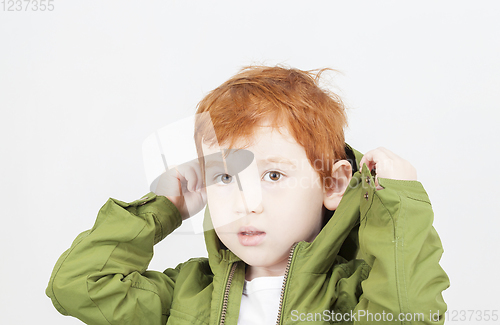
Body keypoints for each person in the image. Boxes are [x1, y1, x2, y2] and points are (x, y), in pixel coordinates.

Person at [46, 66, 449, 324]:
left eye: (273, 175)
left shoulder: (350, 295)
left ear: (332, 185)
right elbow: (79, 284)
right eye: (224, 178)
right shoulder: (187, 294)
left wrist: (397, 204)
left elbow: (407, 317)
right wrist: (163, 208)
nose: (245, 202)